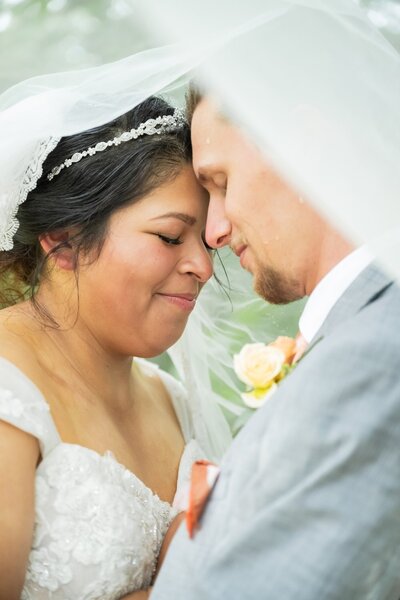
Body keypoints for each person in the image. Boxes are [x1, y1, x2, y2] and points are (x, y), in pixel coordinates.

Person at [145, 88, 400, 599]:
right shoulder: (354, 337)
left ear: (308, 146)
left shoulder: (371, 356)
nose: (213, 232)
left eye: (221, 182)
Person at [0, 94, 230, 600]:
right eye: (171, 237)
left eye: (208, 243)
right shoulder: (6, 390)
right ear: (64, 241)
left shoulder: (173, 399)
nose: (203, 267)